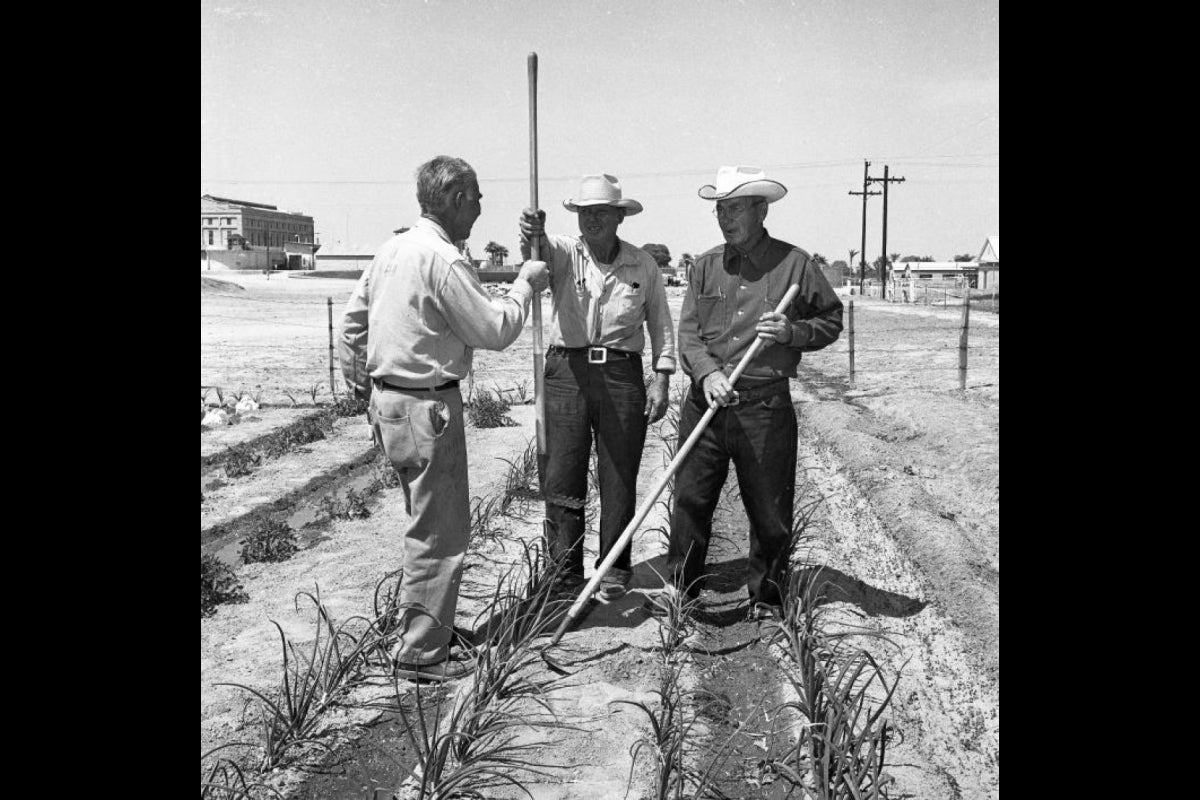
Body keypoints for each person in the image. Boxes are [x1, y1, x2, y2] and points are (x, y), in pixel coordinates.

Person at [339, 155, 549, 682]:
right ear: (456, 198)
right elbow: (495, 329)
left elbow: (352, 327)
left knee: (425, 524)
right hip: (427, 408)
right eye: (476, 197)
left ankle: (429, 627)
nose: (480, 207)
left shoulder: (392, 250)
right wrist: (525, 283)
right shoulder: (443, 260)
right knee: (440, 533)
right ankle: (422, 653)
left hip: (392, 405)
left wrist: (368, 388)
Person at [645, 166, 843, 621]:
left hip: (764, 406)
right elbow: (690, 334)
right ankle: (682, 589)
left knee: (769, 510)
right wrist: (708, 374)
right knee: (691, 499)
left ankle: (768, 598)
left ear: (761, 209)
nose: (724, 217)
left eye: (734, 208)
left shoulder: (795, 264)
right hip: (708, 403)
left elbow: (830, 321)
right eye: (719, 208)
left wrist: (793, 331)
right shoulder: (705, 265)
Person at [518, 174, 676, 603]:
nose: (592, 220)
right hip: (567, 371)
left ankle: (613, 568)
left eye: (601, 213)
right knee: (562, 473)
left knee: (619, 475)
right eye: (586, 213)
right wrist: (533, 234)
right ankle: (564, 574)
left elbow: (660, 324)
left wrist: (661, 377)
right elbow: (540, 255)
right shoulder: (566, 253)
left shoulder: (642, 264)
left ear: (619, 217)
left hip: (622, 376)